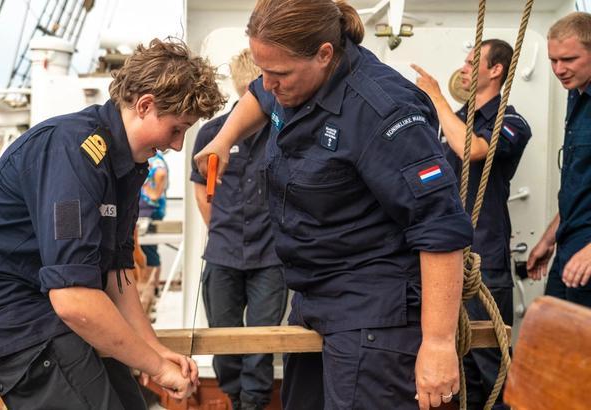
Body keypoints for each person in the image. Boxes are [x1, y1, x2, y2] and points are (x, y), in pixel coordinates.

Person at [194, 1, 474, 409]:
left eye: (279, 74)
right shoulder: (290, 81)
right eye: (264, 70)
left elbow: (440, 225)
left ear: (325, 54)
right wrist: (224, 137)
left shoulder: (384, 113)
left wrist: (437, 344)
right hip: (314, 298)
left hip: (374, 312)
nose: (269, 84)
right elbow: (259, 95)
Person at [0, 38, 226, 409]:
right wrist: (156, 367)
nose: (177, 146)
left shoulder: (126, 165)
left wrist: (154, 351)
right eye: (176, 129)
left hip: (48, 313)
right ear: (144, 106)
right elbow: (73, 297)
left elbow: (118, 273)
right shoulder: (74, 152)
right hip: (7, 315)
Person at [412, 39, 531, 409]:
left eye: (470, 62)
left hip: (486, 256)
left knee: (491, 363)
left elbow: (474, 150)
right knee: (461, 362)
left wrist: (436, 97)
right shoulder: (455, 120)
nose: (463, 68)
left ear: (495, 70)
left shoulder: (511, 122)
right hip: (448, 257)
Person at [190, 49, 287, 410]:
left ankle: (254, 404)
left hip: (270, 257)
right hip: (222, 254)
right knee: (223, 341)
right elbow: (200, 185)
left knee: (261, 343)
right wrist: (217, 226)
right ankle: (233, 399)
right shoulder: (212, 135)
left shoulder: (283, 133)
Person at [528, 12, 591, 308]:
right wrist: (550, 238)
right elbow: (580, 186)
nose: (559, 69)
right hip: (570, 241)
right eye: (553, 60)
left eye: (568, 59)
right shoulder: (576, 96)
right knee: (553, 337)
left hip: (587, 251)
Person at [138, 149, 168, 286]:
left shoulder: (153, 157)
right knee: (149, 249)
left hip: (148, 211)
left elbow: (161, 174)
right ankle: (151, 291)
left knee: (147, 250)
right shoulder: (151, 157)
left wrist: (153, 194)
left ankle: (147, 291)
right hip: (148, 210)